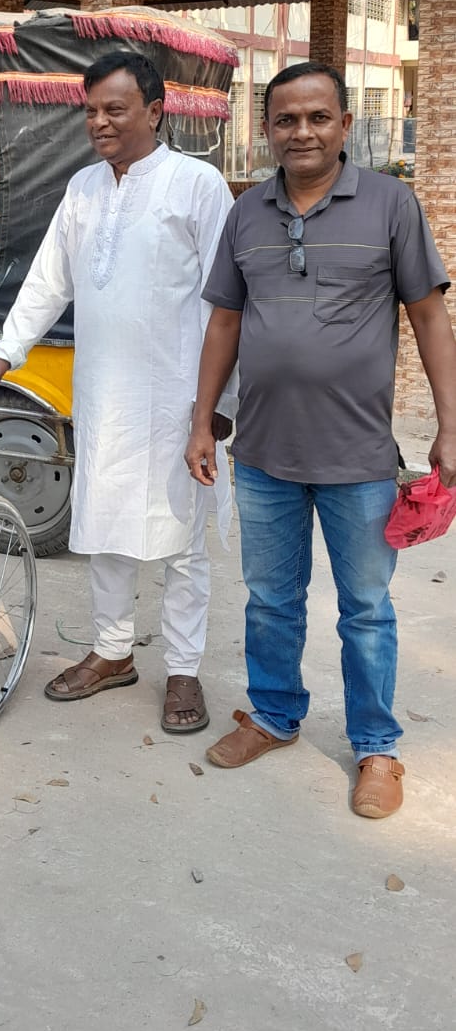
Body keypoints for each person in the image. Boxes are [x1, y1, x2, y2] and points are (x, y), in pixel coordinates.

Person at [185, 60, 456, 819]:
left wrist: (450, 425)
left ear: (344, 125)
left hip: (358, 457)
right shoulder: (247, 213)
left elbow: (429, 316)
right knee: (271, 600)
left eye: (317, 117)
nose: (301, 131)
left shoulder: (391, 205)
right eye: (285, 119)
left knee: (366, 608)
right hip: (263, 454)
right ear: (267, 129)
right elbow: (225, 323)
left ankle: (376, 745)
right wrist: (202, 420)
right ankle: (274, 716)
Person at [0, 50, 236, 734]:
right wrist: (7, 349)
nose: (99, 123)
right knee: (105, 525)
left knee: (182, 541)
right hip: (103, 394)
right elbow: (49, 278)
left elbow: (229, 300)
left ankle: (183, 668)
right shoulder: (84, 187)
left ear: (155, 110)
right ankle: (113, 650)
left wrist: (216, 406)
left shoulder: (198, 184)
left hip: (179, 398)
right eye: (90, 111)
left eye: (114, 109)